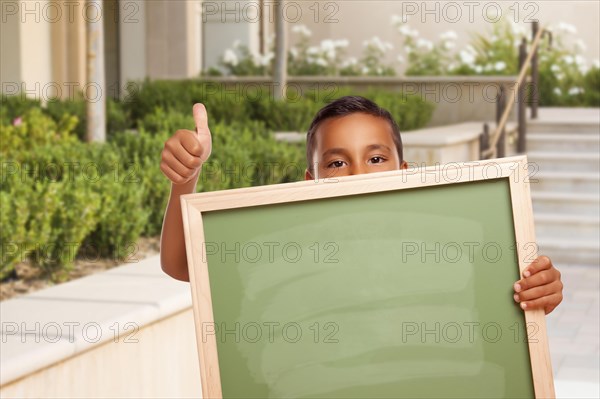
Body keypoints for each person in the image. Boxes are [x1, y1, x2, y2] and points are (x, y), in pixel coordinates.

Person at [159, 96, 563, 315]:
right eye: (336, 163)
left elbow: (504, 301)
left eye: (375, 158)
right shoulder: (284, 250)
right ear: (310, 182)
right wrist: (185, 179)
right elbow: (180, 264)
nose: (358, 175)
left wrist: (539, 292)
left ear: (403, 171)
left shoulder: (445, 250)